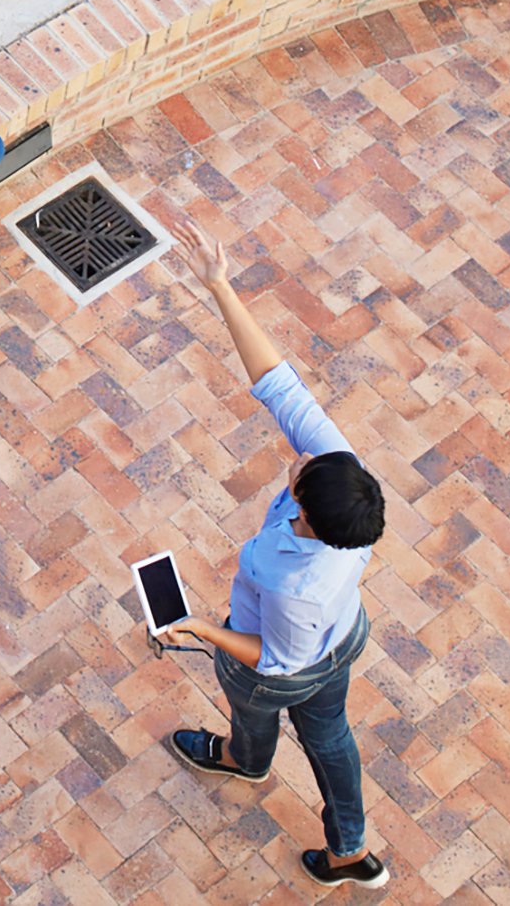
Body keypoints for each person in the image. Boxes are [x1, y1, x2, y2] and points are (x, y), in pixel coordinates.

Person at [158, 215, 392, 889]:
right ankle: (346, 846)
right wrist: (219, 286)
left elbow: (278, 658)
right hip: (341, 636)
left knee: (255, 696)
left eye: (298, 483)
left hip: (289, 654)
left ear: (312, 524)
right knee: (331, 734)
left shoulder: (297, 584)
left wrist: (203, 629)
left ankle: (245, 760)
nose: (296, 466)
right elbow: (279, 386)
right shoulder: (338, 473)